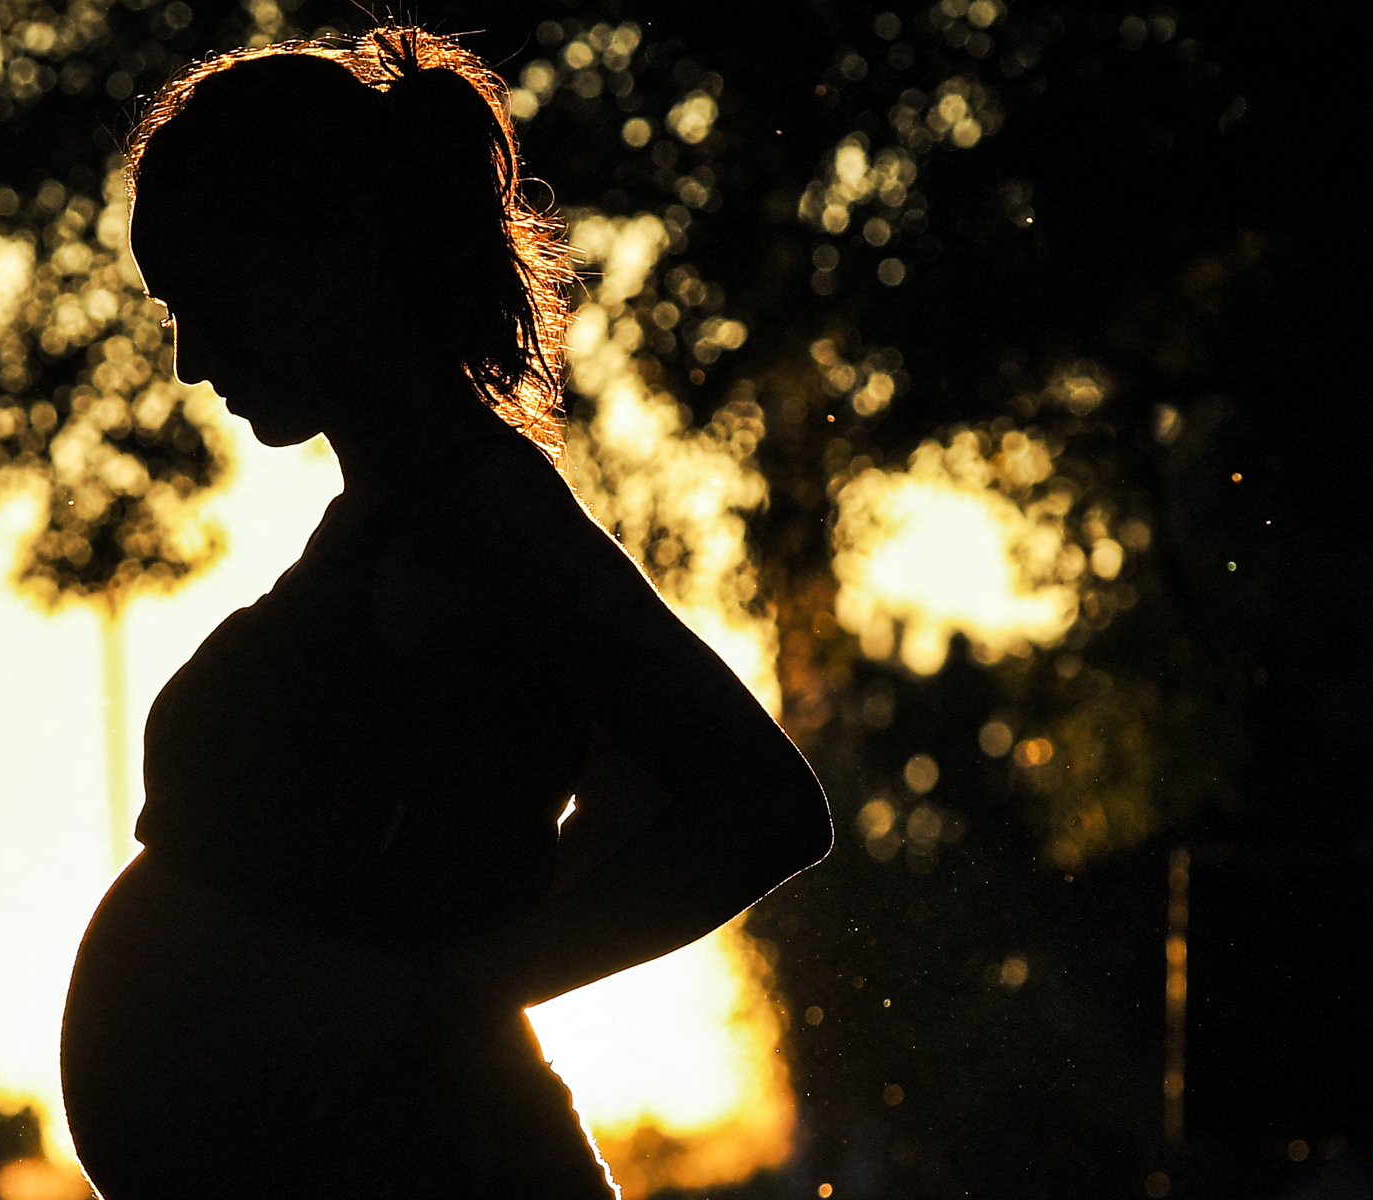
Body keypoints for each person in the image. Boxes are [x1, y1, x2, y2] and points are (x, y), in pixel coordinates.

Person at [59, 28, 833, 1200]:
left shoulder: (484, 511)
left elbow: (762, 805)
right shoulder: (401, 517)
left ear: (330, 253)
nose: (189, 357)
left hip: (436, 1153)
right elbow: (617, 795)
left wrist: (447, 1000)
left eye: (206, 294)